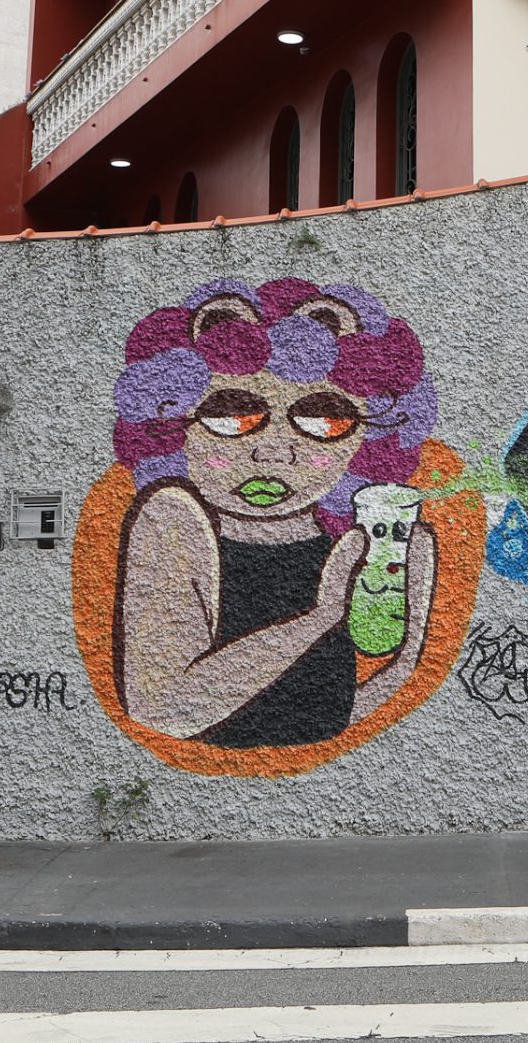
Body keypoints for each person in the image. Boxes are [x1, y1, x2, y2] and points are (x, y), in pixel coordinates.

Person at [110, 279, 439, 749]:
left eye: (324, 420)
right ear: (174, 426)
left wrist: (407, 648)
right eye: (232, 416)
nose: (273, 453)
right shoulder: (175, 517)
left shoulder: (363, 543)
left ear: (362, 442)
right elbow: (161, 709)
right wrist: (322, 614)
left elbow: (331, 713)